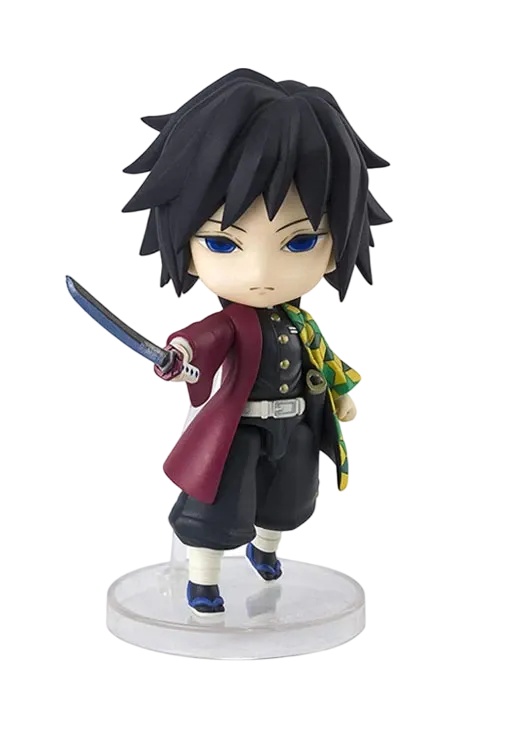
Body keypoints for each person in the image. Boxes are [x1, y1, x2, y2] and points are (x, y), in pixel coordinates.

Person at [121, 67, 391, 615]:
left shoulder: (301, 322)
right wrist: (180, 356)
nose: (262, 273)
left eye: (301, 242)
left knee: (288, 497)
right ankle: (203, 580)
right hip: (240, 429)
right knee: (218, 505)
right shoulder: (232, 322)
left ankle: (266, 550)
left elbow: (323, 362)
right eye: (224, 243)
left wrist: (342, 393)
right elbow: (201, 340)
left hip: (294, 424)